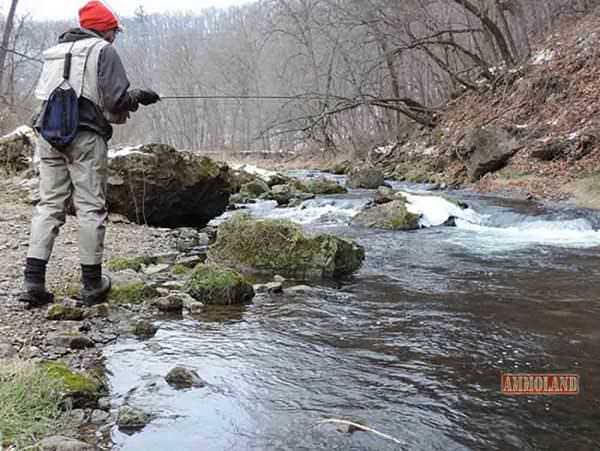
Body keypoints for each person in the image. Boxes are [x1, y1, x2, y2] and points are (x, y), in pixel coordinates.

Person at [19, 0, 160, 306]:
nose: (115, 37)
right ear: (104, 29)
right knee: (90, 207)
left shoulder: (54, 51)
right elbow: (115, 101)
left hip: (48, 135)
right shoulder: (103, 50)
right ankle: (92, 284)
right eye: (113, 31)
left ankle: (32, 282)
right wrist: (139, 96)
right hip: (85, 136)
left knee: (49, 205)